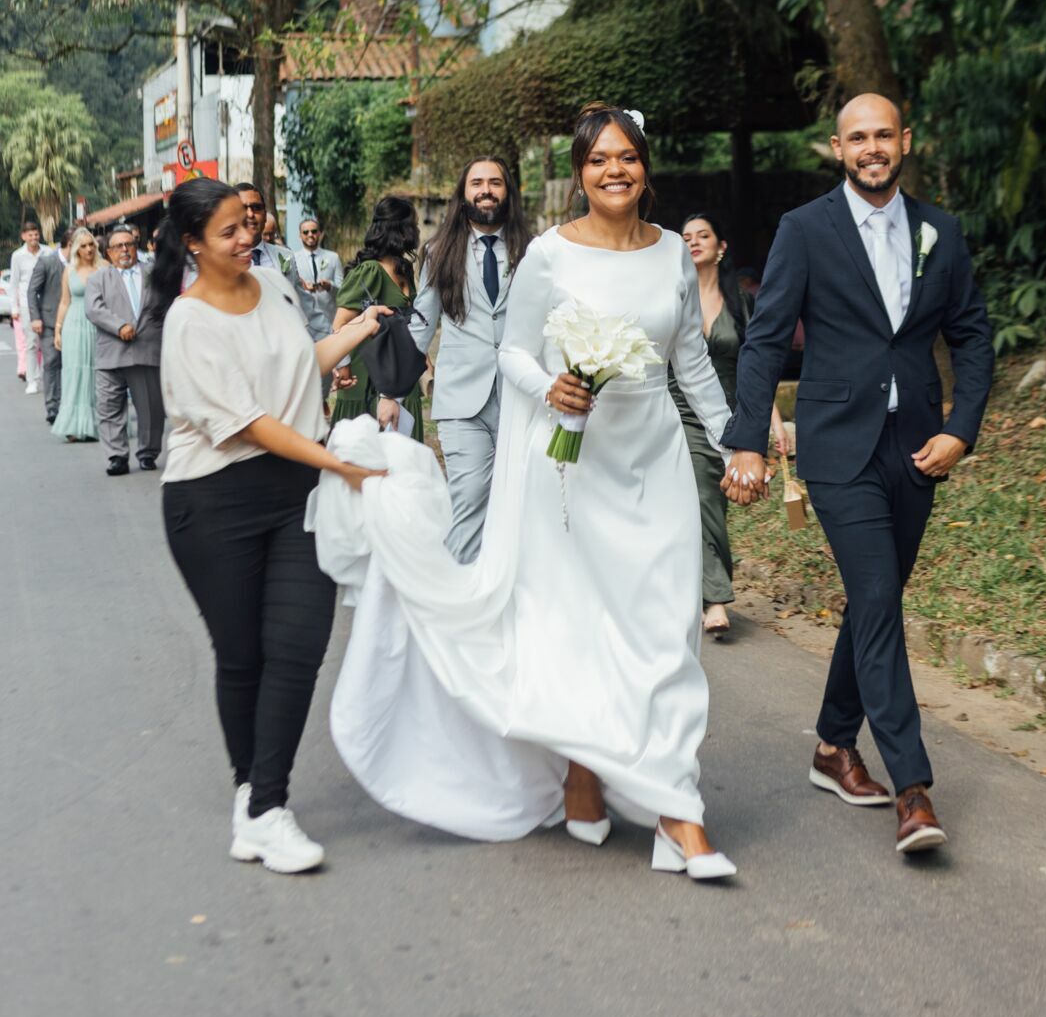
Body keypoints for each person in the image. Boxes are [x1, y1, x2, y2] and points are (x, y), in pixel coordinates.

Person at [327, 103, 739, 880]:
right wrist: (553, 386)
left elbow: (689, 364)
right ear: (580, 173)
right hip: (571, 471)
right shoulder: (548, 254)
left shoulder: (671, 256)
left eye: (627, 157)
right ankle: (589, 777)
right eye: (598, 160)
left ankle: (674, 812)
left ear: (644, 166)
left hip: (653, 463)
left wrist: (736, 440)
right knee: (582, 630)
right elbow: (515, 355)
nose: (614, 170)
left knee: (665, 636)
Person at [723, 94, 995, 856]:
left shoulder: (940, 230)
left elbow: (971, 337)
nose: (872, 148)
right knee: (876, 595)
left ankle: (832, 745)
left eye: (884, 135)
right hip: (837, 447)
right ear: (836, 149)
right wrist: (748, 438)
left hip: (917, 448)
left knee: (876, 600)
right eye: (857, 138)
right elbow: (767, 337)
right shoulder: (804, 231)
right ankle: (913, 789)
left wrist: (960, 431)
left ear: (904, 141)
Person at [149, 178, 393, 873]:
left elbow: (294, 373)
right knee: (244, 655)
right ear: (193, 244)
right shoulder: (189, 322)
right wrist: (340, 464)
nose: (246, 237)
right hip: (212, 503)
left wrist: (353, 333)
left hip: (296, 493)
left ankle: (266, 806)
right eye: (228, 231)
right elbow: (249, 423)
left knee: (297, 646)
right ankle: (253, 798)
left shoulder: (277, 288)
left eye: (250, 223)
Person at [378, 156, 531, 563]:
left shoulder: (533, 250)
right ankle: (458, 600)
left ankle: (509, 597)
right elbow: (421, 325)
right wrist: (391, 390)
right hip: (462, 401)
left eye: (495, 182)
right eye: (477, 182)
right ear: (463, 193)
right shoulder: (438, 251)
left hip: (523, 399)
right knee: (470, 498)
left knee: (523, 503)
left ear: (508, 191)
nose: (486, 190)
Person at [668, 214, 787, 637]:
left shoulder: (742, 303)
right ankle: (715, 597)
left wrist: (773, 422)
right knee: (701, 491)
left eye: (703, 236)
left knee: (712, 502)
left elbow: (758, 365)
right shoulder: (671, 298)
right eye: (686, 238)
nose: (694, 242)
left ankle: (697, 586)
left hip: (730, 414)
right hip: (678, 411)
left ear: (721, 248)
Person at [332, 196, 424, 439]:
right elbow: (339, 325)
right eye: (412, 223)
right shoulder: (370, 270)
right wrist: (343, 370)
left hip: (404, 380)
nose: (417, 229)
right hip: (369, 383)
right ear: (399, 228)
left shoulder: (405, 269)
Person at [85, 225, 165, 475]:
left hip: (146, 349)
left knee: (151, 408)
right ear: (108, 252)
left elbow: (165, 304)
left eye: (128, 244)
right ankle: (116, 456)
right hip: (111, 352)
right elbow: (93, 309)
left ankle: (148, 453)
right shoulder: (98, 278)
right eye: (118, 246)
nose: (124, 250)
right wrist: (119, 326)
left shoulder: (153, 273)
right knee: (109, 407)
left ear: (136, 247)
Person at [52, 227, 103, 442]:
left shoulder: (105, 268)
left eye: (91, 244)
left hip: (97, 325)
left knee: (97, 375)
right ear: (75, 249)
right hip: (73, 325)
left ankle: (97, 424)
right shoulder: (69, 271)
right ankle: (73, 425)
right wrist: (58, 329)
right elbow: (65, 301)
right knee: (74, 374)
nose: (88, 249)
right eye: (83, 246)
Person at [291, 217, 344, 401]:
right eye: (306, 232)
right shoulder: (293, 259)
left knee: (327, 366)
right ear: (300, 236)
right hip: (304, 322)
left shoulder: (332, 257)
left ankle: (323, 401)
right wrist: (301, 285)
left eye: (314, 231)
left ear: (319, 233)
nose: (310, 235)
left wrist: (330, 285)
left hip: (328, 319)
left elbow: (342, 289)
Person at [29, 227, 73, 424]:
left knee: (70, 365)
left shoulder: (81, 264)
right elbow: (32, 291)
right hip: (48, 322)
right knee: (52, 363)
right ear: (70, 244)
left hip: (74, 322)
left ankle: (68, 404)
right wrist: (35, 317)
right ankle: (53, 407)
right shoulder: (47, 261)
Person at [10, 221, 46, 393]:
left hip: (47, 303)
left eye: (36, 234)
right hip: (27, 305)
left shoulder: (48, 252)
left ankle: (49, 378)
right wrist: (14, 308)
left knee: (49, 344)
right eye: (30, 235)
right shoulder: (18, 256)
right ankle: (32, 379)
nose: (34, 238)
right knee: (31, 343)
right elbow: (14, 283)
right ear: (24, 236)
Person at [236, 184, 295, 277]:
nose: (250, 214)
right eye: (242, 208)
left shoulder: (286, 256)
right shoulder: (217, 261)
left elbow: (294, 291)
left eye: (256, 208)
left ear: (265, 216)